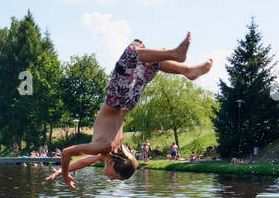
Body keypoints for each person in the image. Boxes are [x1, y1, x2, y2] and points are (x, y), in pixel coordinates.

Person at [46, 34, 212, 187]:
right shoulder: (102, 148)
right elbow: (67, 153)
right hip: (117, 99)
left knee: (149, 62)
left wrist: (62, 171)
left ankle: (188, 71)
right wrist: (67, 176)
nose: (110, 179)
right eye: (114, 177)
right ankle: (176, 55)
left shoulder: (115, 151)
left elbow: (83, 162)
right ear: (112, 164)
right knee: (133, 53)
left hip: (129, 103)